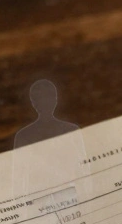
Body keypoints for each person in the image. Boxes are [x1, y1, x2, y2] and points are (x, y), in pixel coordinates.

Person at [12, 79, 88, 212]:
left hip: (69, 198)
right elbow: (19, 177)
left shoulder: (72, 130)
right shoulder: (23, 136)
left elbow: (83, 170)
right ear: (33, 103)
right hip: (38, 202)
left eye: (49, 96)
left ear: (56, 99)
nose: (45, 102)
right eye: (40, 98)